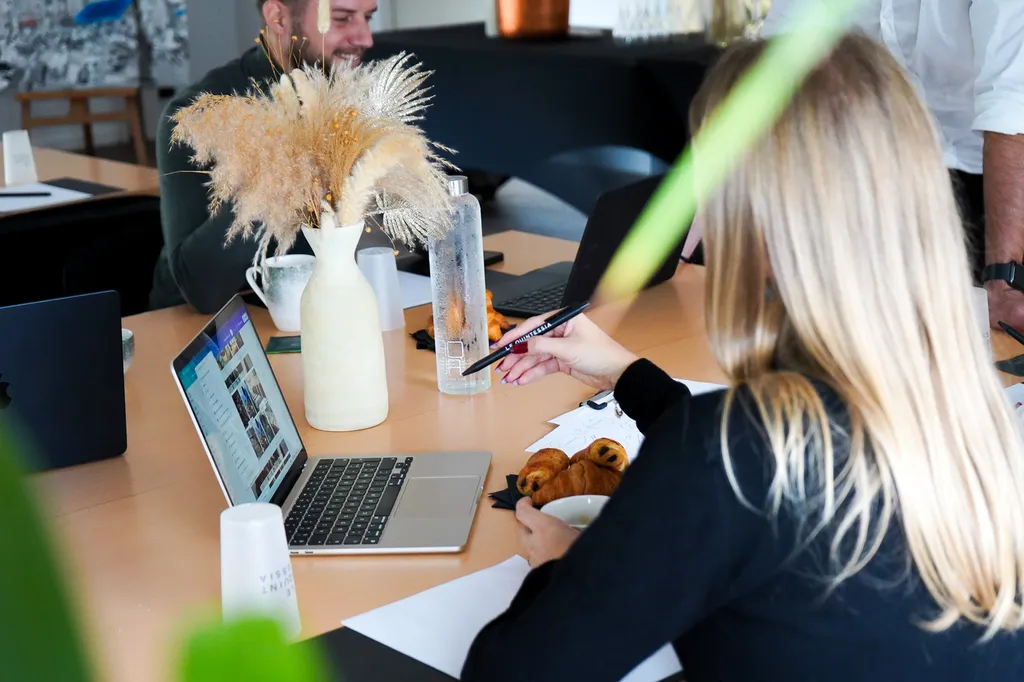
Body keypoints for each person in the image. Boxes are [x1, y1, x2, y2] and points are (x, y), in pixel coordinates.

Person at [462, 35, 1024, 682]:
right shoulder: (963, 412)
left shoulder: (726, 460)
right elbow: (774, 457)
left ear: (754, 221)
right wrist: (628, 376)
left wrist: (563, 567)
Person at [760, 1, 1024, 330]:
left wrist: (1004, 279)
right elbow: (774, 62)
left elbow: (1011, 106)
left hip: (1002, 180)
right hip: (884, 171)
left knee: (991, 341)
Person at [149, 0, 377, 313]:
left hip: (326, 311)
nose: (366, 38)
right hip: (213, 333)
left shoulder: (358, 94)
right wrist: (287, 169)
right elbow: (202, 289)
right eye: (341, 18)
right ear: (278, 17)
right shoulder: (197, 116)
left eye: (368, 17)